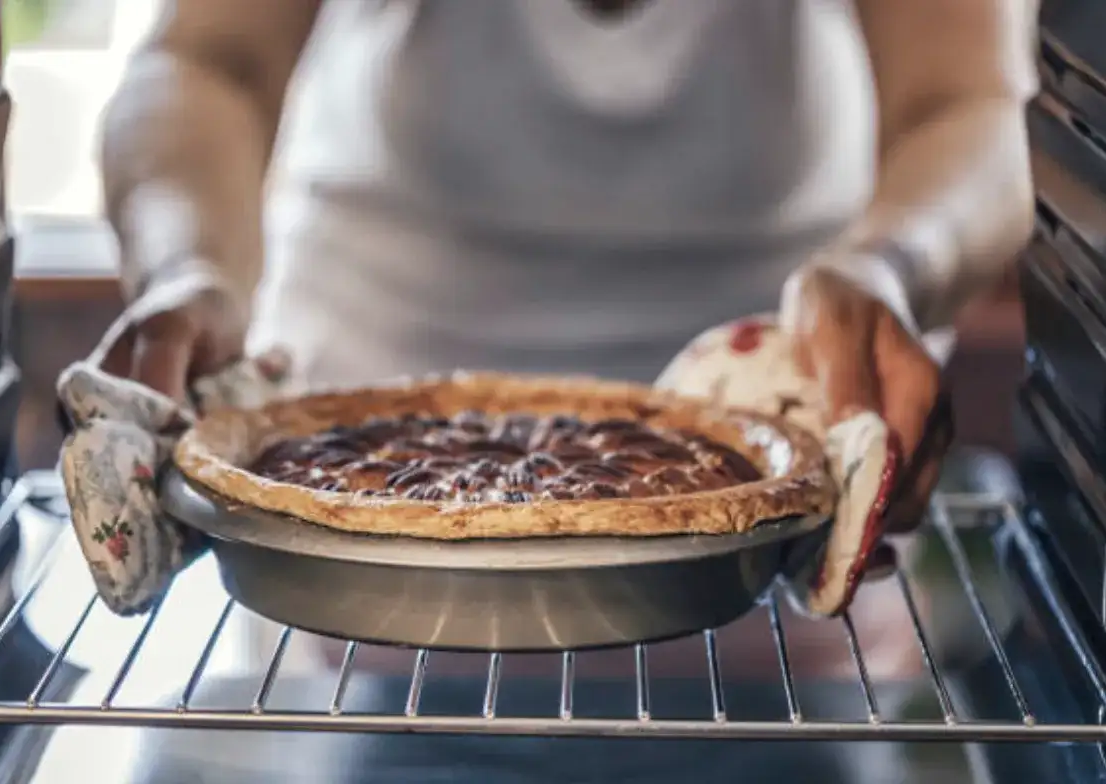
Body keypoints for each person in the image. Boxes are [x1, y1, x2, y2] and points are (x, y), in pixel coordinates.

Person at [92, 1, 1039, 781]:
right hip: (353, 576)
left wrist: (888, 269)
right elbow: (207, 61)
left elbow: (964, 105)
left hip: (771, 549)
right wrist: (190, 269)